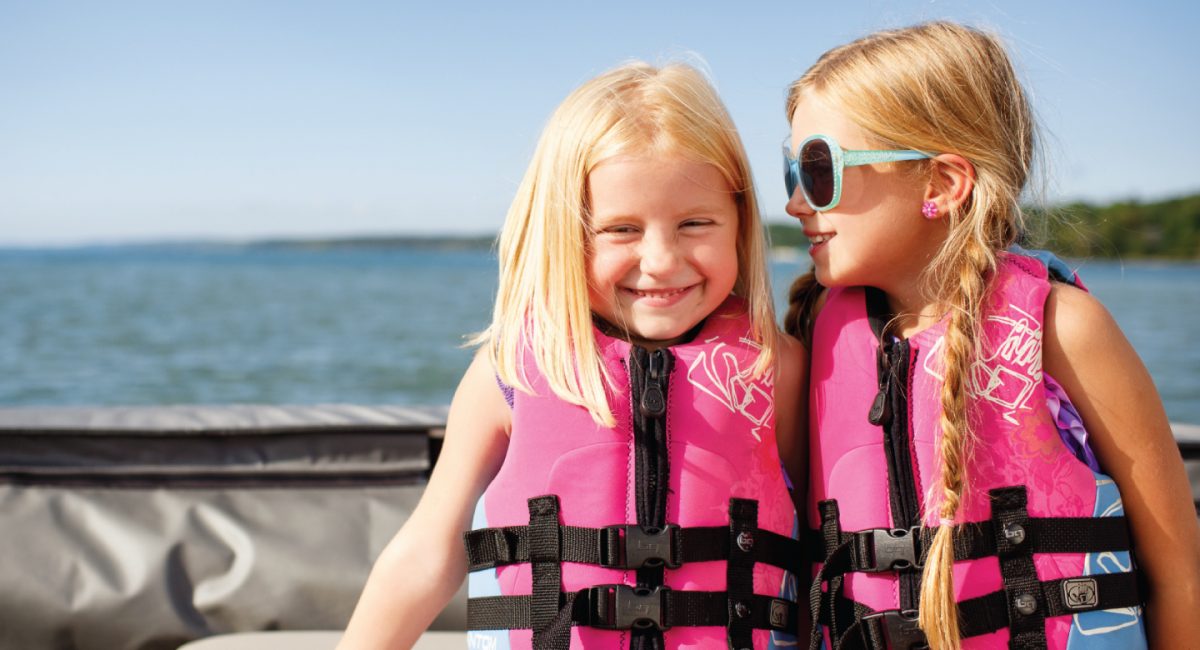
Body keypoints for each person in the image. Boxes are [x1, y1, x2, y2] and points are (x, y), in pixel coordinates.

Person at [337, 61, 808, 650]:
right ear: (563, 234)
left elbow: (820, 553)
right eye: (621, 230)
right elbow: (427, 554)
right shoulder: (508, 371)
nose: (661, 260)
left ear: (739, 224)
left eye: (695, 223)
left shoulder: (776, 369)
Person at [780, 21, 1200, 650]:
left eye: (818, 170)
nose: (793, 203)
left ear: (941, 184)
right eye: (791, 169)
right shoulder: (817, 338)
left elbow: (1180, 577)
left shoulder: (1063, 329)